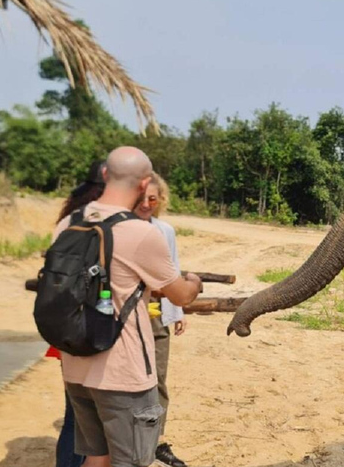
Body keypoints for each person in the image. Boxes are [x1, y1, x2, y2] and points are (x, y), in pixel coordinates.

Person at [55, 147, 202, 467]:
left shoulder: (70, 221)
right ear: (144, 183)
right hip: (122, 373)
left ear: (106, 175)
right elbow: (179, 295)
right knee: (131, 460)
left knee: (96, 456)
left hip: (76, 364)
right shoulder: (141, 233)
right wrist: (195, 281)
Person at [48, 160, 107, 467]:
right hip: (94, 329)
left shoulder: (67, 220)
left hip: (64, 328)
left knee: (74, 412)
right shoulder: (107, 222)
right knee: (92, 416)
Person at [132, 172, 189, 467]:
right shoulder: (120, 229)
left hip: (157, 315)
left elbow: (173, 271)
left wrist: (176, 312)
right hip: (127, 318)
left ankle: (155, 442)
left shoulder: (165, 230)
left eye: (152, 199)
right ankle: (131, 442)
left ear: (160, 200)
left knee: (158, 380)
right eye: (141, 198)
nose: (146, 204)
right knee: (130, 381)